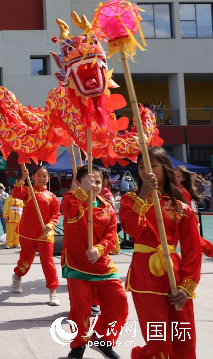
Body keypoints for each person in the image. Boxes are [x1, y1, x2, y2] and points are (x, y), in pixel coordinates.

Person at [120, 147, 201, 359]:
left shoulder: (182, 208)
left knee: (184, 341)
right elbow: (131, 230)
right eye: (140, 167)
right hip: (145, 279)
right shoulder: (129, 200)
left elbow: (193, 250)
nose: (146, 171)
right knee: (159, 344)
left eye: (152, 166)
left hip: (176, 279)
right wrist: (143, 196)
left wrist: (187, 286)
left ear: (165, 168)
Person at [61, 165, 127, 359]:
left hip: (102, 263)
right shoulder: (70, 200)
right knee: (80, 308)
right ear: (77, 183)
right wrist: (81, 192)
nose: (95, 185)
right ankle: (77, 347)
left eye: (98, 182)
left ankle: (101, 339)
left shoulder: (107, 208)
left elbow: (111, 236)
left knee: (119, 300)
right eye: (90, 181)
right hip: (76, 264)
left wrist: (99, 249)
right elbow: (68, 209)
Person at [11, 163, 61, 306]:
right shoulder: (28, 191)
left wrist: (50, 226)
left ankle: (53, 291)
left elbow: (56, 214)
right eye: (38, 175)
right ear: (32, 177)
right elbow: (15, 194)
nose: (42, 178)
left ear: (48, 178)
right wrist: (22, 177)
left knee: (48, 262)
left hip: (45, 234)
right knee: (26, 262)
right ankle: (17, 276)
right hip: (28, 233)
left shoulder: (52, 197)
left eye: (45, 176)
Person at [175, 165, 213, 258]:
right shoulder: (176, 189)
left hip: (185, 221)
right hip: (181, 220)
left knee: (196, 242)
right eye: (173, 175)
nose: (174, 178)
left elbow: (185, 208)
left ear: (183, 178)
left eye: (178, 176)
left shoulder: (182, 191)